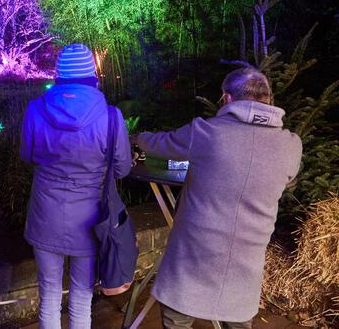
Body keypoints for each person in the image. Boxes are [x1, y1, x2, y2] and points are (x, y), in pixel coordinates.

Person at [132, 68, 302, 329]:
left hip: (193, 253)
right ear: (269, 99)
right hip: (247, 257)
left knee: (177, 319)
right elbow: (288, 179)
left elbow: (157, 143)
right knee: (238, 320)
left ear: (227, 98)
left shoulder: (205, 133)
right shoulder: (291, 144)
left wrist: (136, 137)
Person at [20, 43, 132, 329]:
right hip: (90, 219)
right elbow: (122, 168)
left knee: (49, 294)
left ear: (58, 76)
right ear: (92, 76)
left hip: (45, 214)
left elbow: (28, 155)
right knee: (82, 297)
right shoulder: (111, 117)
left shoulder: (35, 110)